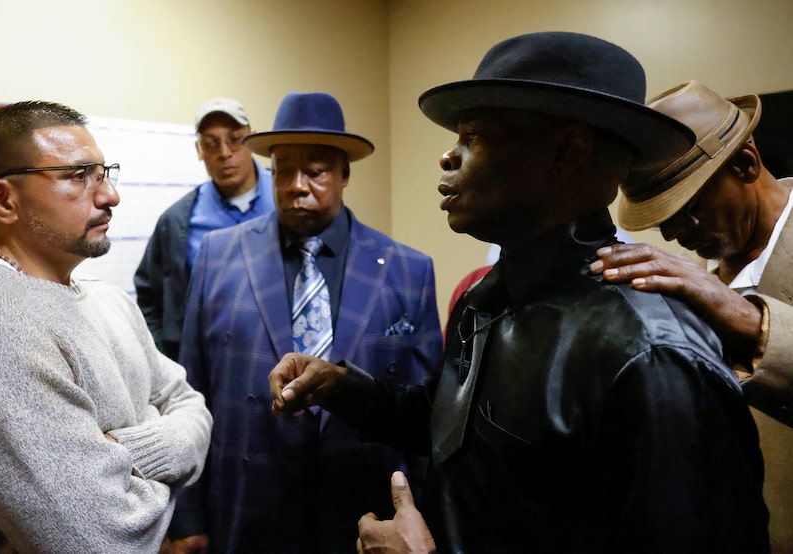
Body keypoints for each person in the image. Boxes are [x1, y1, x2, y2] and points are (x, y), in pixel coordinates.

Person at [269, 33, 771, 553]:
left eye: (474, 135)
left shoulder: (652, 352)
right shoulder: (486, 299)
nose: (448, 156)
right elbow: (450, 422)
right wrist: (340, 386)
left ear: (565, 151)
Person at [169, 91, 443, 553]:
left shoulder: (407, 270)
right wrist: (188, 516)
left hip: (361, 513)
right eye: (283, 171)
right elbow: (190, 393)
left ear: (343, 175)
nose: (297, 185)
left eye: (314, 172)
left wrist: (425, 516)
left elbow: (428, 415)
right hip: (245, 507)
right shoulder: (218, 256)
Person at [0, 101, 212, 553]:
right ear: (2, 199)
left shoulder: (110, 299)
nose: (110, 195)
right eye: (79, 176)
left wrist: (127, 452)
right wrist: (174, 450)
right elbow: (101, 539)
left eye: (104, 173)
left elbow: (192, 406)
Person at [592, 80, 793, 553]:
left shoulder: (707, 291)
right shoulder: (697, 279)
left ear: (745, 163)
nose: (675, 233)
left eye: (689, 210)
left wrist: (743, 318)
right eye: (664, 219)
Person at [134, 97, 274, 360]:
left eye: (235, 139)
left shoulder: (287, 200)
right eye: (211, 143)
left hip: (282, 358)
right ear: (199, 149)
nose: (224, 153)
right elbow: (149, 296)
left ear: (252, 139)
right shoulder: (178, 221)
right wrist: (166, 357)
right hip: (209, 365)